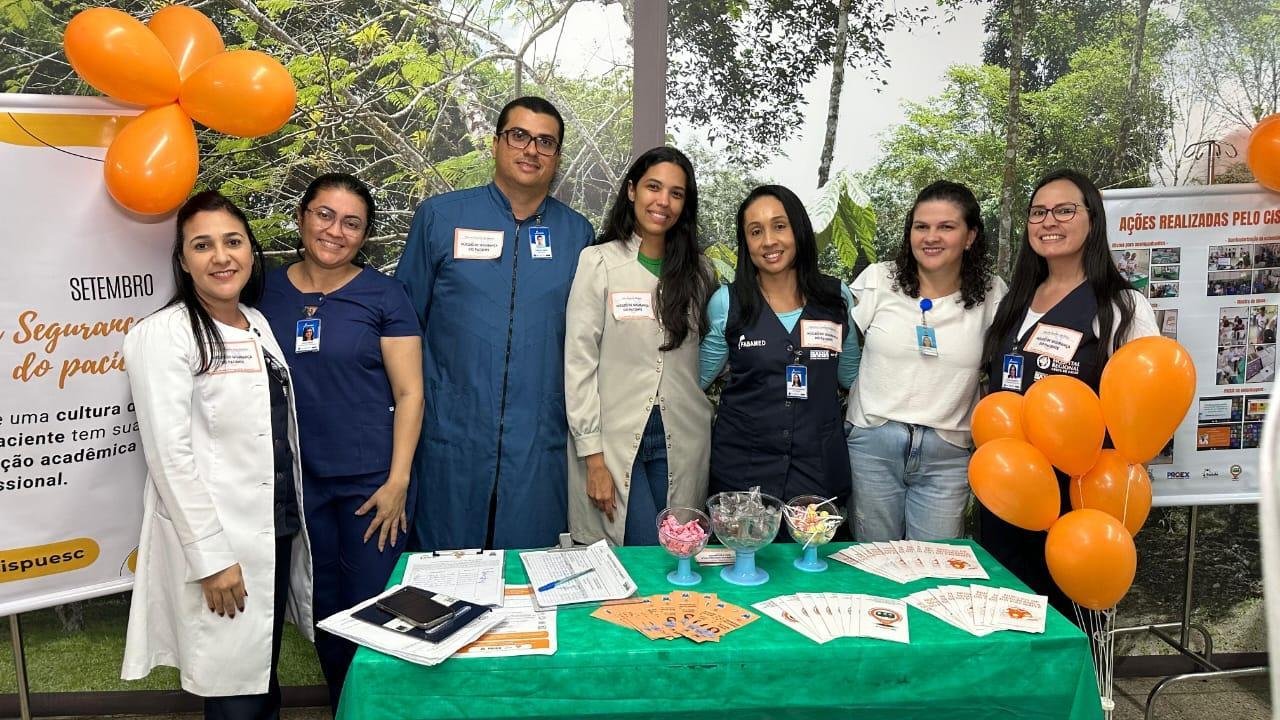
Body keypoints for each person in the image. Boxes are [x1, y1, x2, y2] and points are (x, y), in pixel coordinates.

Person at [121, 191, 313, 718]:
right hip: (219, 550)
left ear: (251, 250)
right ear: (183, 261)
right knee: (234, 698)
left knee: (260, 683)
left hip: (272, 535)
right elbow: (169, 458)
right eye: (202, 245)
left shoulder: (256, 323)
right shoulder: (161, 335)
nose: (221, 257)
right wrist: (212, 560)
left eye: (233, 241)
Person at [397, 96, 595, 550]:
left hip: (537, 443)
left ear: (557, 157)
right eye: (519, 136)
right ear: (496, 143)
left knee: (530, 583)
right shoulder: (440, 218)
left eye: (546, 142)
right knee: (442, 585)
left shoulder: (577, 235)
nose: (532, 150)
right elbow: (405, 328)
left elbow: (585, 342)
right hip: (450, 436)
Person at [258, 173, 423, 711]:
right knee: (324, 612)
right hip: (295, 489)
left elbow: (410, 393)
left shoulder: (385, 294)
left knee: (379, 612)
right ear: (303, 216)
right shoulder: (262, 289)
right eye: (324, 215)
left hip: (372, 489)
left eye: (352, 223)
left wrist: (397, 482)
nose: (336, 231)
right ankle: (344, 708)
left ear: (365, 234)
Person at [980, 169, 1158, 620]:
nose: (1049, 222)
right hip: (1011, 488)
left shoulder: (1122, 307)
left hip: (1081, 494)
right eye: (1038, 212)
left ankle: (1084, 691)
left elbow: (1143, 403)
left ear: (1092, 221)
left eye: (1064, 210)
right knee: (1007, 610)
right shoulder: (1016, 300)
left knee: (1070, 617)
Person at [565, 147, 715, 545]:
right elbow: (579, 363)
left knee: (675, 553)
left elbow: (706, 354)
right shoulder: (598, 262)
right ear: (632, 191)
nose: (663, 201)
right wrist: (592, 458)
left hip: (681, 437)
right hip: (614, 440)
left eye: (677, 193)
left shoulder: (699, 274)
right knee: (637, 550)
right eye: (653, 187)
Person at [845, 181, 1007, 542]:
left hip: (947, 452)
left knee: (935, 570)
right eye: (921, 227)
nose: (931, 237)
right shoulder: (878, 280)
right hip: (874, 443)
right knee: (874, 565)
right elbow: (840, 350)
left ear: (970, 236)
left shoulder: (993, 294)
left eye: (946, 227)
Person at [700, 185, 861, 503]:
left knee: (811, 553)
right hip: (742, 469)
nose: (769, 241)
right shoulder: (726, 303)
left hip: (817, 467)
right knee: (745, 553)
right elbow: (695, 380)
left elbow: (851, 377)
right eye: (755, 231)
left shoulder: (835, 297)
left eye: (779, 226)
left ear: (798, 229)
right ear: (746, 242)